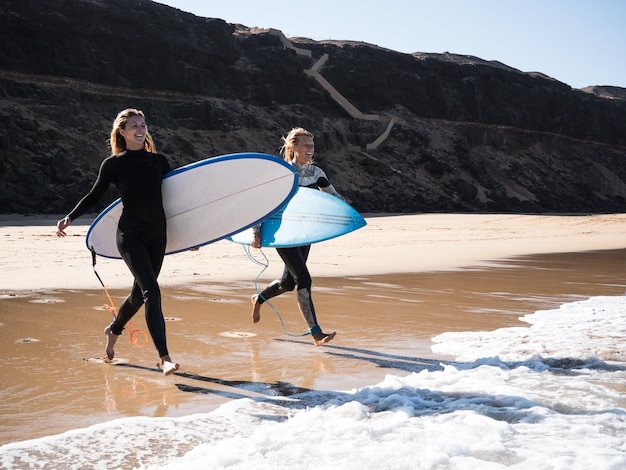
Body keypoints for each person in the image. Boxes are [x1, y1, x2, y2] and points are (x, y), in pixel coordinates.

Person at [56, 108, 179, 375]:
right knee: (152, 292)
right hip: (130, 234)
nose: (140, 129)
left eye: (143, 124)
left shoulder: (158, 161)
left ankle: (113, 330)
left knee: (139, 295)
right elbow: (93, 195)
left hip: (157, 235)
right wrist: (70, 217)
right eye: (134, 125)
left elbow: (178, 199)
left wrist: (195, 234)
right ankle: (165, 358)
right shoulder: (114, 164)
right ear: (122, 132)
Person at [250, 127, 340, 346]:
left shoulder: (316, 173)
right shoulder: (282, 173)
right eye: (306, 145)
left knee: (288, 283)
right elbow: (262, 204)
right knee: (304, 279)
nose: (311, 148)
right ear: (293, 147)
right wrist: (256, 230)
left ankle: (259, 298)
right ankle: (316, 333)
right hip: (283, 233)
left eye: (312, 145)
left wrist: (344, 213)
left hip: (304, 233)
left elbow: (334, 199)